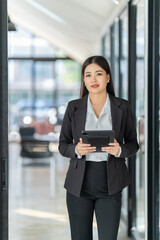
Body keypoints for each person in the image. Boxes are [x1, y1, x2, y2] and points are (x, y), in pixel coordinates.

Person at [58, 55, 139, 240]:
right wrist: (76, 150)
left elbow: (133, 144)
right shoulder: (73, 107)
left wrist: (119, 150)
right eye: (88, 75)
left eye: (98, 74)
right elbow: (63, 145)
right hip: (79, 183)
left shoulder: (122, 107)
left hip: (111, 183)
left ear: (108, 77)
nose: (93, 79)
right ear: (83, 80)